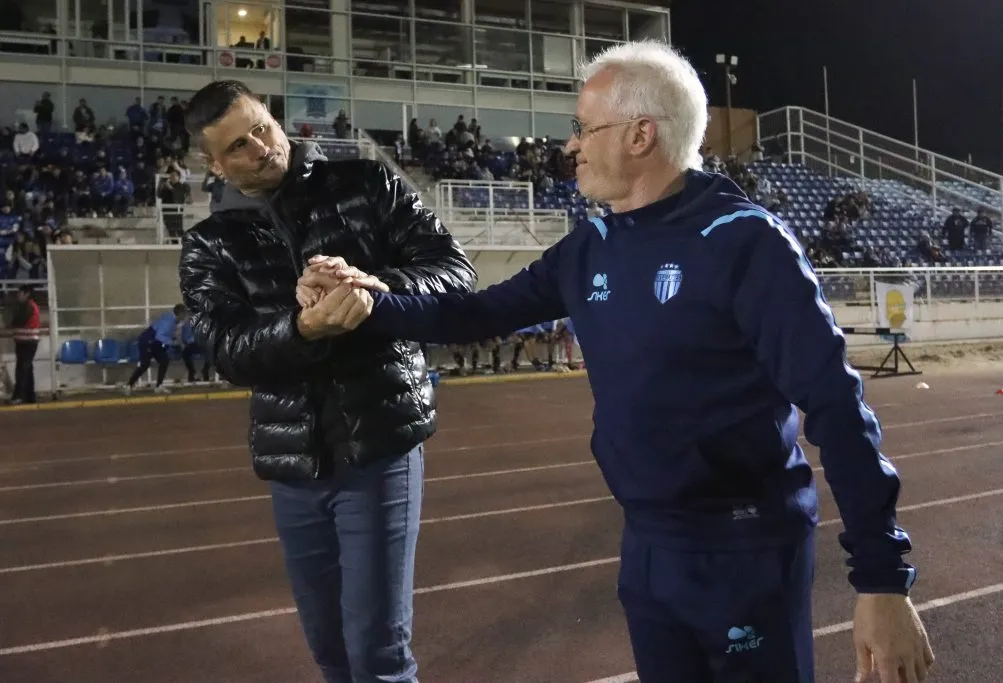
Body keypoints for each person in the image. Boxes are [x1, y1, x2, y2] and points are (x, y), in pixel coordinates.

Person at [297, 41, 935, 683]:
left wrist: (882, 581)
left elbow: (836, 406)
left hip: (745, 546)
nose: (569, 145)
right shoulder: (590, 246)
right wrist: (366, 298)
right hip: (648, 541)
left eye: (582, 127)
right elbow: (474, 313)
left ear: (640, 134)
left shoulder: (746, 244)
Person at [176, 80, 476, 683]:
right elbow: (228, 351)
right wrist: (303, 327)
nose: (262, 146)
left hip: (381, 443)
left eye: (262, 126)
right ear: (215, 164)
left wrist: (375, 287)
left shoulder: (368, 183)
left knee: (378, 654)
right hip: (293, 463)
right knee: (330, 649)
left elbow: (454, 271)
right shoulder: (209, 245)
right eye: (239, 145)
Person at [123, 304, 187, 395]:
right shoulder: (169, 321)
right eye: (185, 314)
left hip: (155, 342)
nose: (185, 316)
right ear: (180, 314)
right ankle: (128, 385)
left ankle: (159, 386)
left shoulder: (174, 321)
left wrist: (178, 342)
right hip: (148, 341)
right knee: (145, 364)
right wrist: (173, 343)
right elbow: (159, 335)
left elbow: (169, 334)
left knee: (164, 360)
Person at [8, 284, 41, 405]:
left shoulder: (28, 306)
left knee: (22, 369)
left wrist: (11, 313)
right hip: (27, 342)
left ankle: (19, 396)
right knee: (27, 368)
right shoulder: (30, 306)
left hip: (27, 342)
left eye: (20, 293)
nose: (18, 296)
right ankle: (29, 396)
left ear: (26, 294)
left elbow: (16, 321)